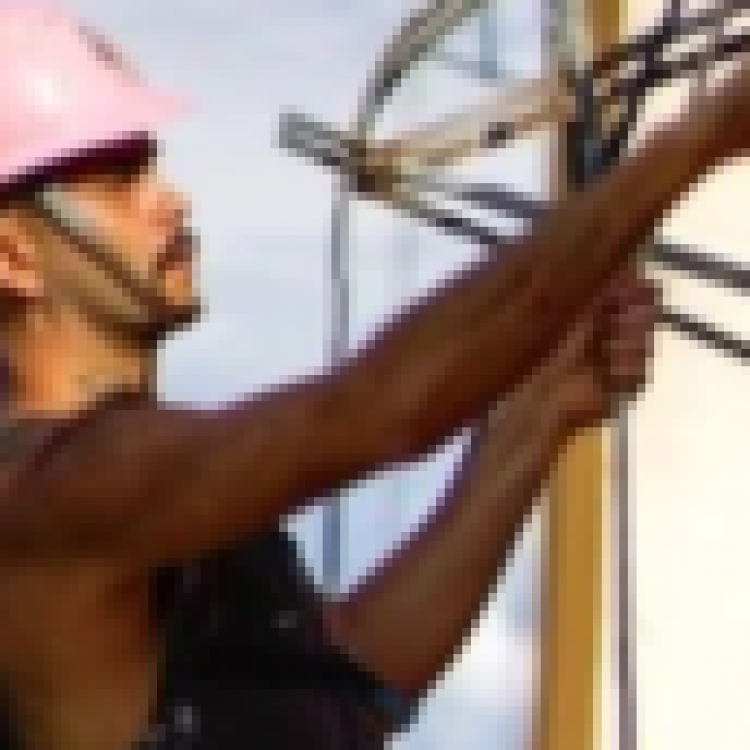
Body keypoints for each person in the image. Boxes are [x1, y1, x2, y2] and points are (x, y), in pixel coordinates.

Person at [0, 3, 743, 749]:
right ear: (13, 257)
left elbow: (349, 691)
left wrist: (535, 415)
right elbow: (381, 408)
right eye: (120, 179)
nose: (169, 199)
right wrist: (698, 140)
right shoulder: (58, 489)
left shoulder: (140, 504)